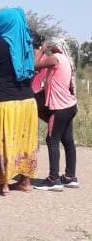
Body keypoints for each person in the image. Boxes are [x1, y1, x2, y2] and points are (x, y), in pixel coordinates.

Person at [0, 8, 38, 194]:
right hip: (27, 102)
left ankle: (3, 183)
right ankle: (25, 181)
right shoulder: (26, 44)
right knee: (25, 141)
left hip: (2, 101)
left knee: (3, 139)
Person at [33, 38, 79, 191]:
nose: (50, 46)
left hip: (59, 109)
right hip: (70, 106)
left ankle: (53, 179)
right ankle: (70, 177)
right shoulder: (65, 59)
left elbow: (34, 65)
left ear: (57, 46)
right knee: (68, 141)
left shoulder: (55, 58)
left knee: (52, 140)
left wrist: (42, 50)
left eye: (52, 44)